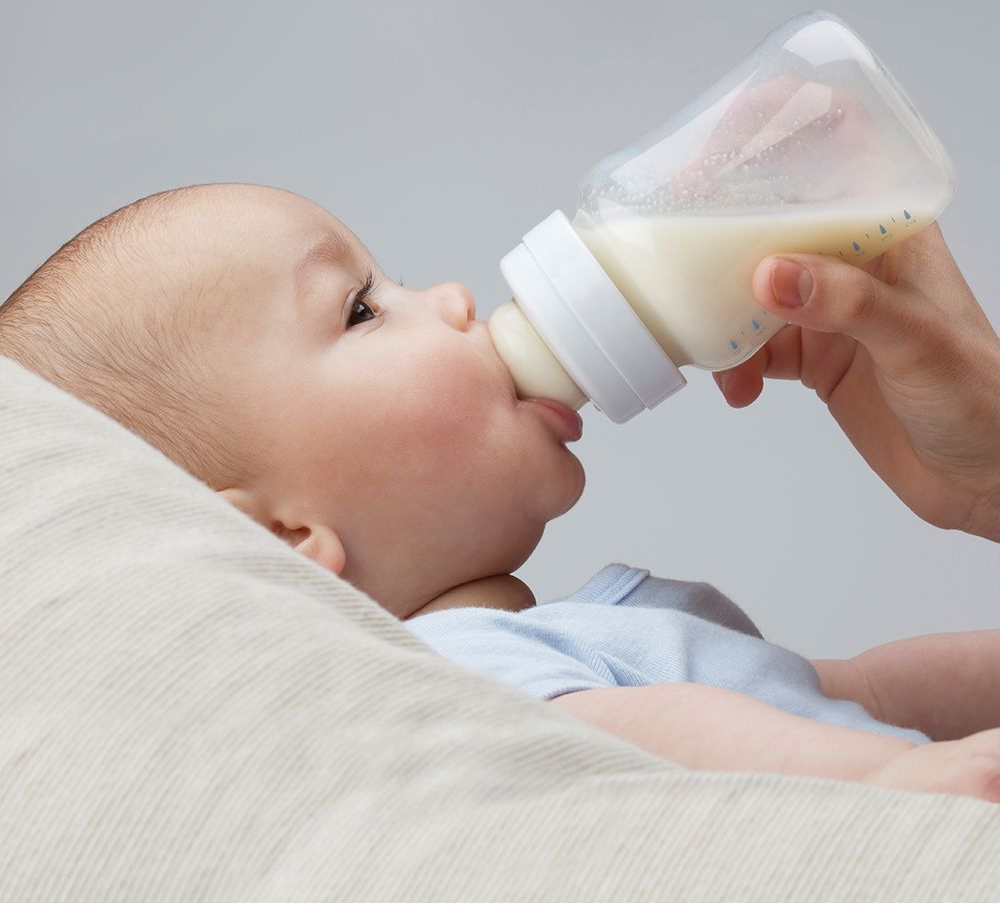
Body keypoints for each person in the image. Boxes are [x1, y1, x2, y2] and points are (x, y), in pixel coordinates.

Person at [1, 182, 998, 802]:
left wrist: (898, 738)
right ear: (282, 538)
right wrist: (888, 773)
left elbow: (855, 694)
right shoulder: (451, 678)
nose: (451, 299)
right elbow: (637, 744)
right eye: (362, 310)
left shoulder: (574, 639)